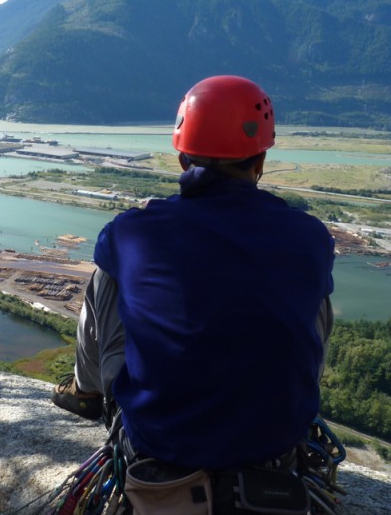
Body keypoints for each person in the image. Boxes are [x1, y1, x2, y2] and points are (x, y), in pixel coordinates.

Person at [52, 75, 335, 470]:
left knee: (108, 274)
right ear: (260, 160)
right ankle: (292, 402)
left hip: (157, 440)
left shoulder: (133, 232)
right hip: (275, 444)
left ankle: (85, 391)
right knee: (317, 290)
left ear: (183, 158)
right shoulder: (311, 237)